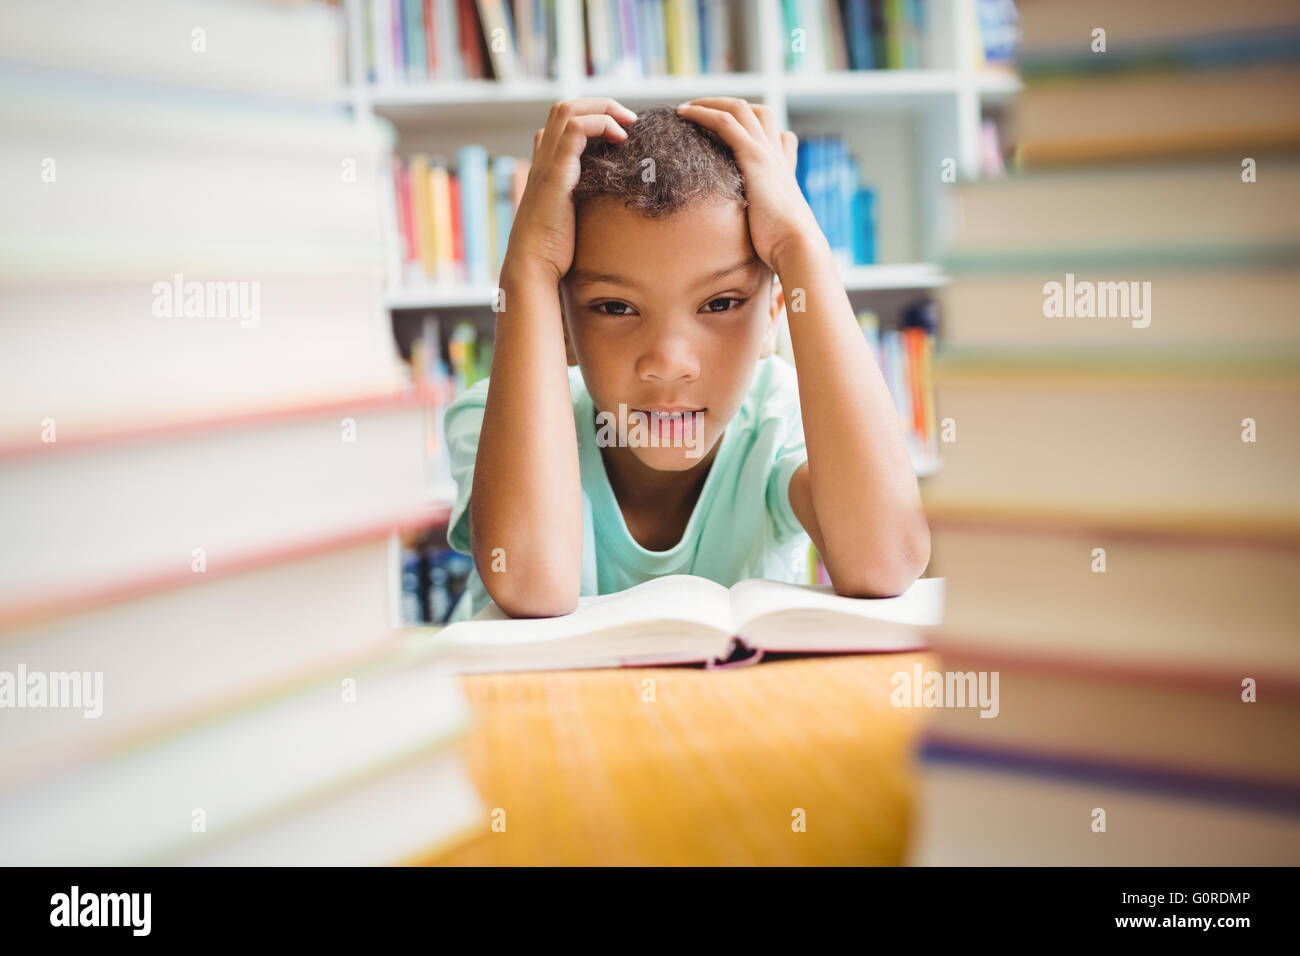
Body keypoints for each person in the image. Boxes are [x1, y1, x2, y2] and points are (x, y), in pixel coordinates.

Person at [443, 98, 929, 621]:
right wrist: (530, 267)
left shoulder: (779, 420)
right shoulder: (490, 420)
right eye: (615, 307)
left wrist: (801, 245)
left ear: (772, 316)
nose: (670, 362)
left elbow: (888, 561)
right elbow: (531, 583)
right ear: (558, 325)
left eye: (721, 303)